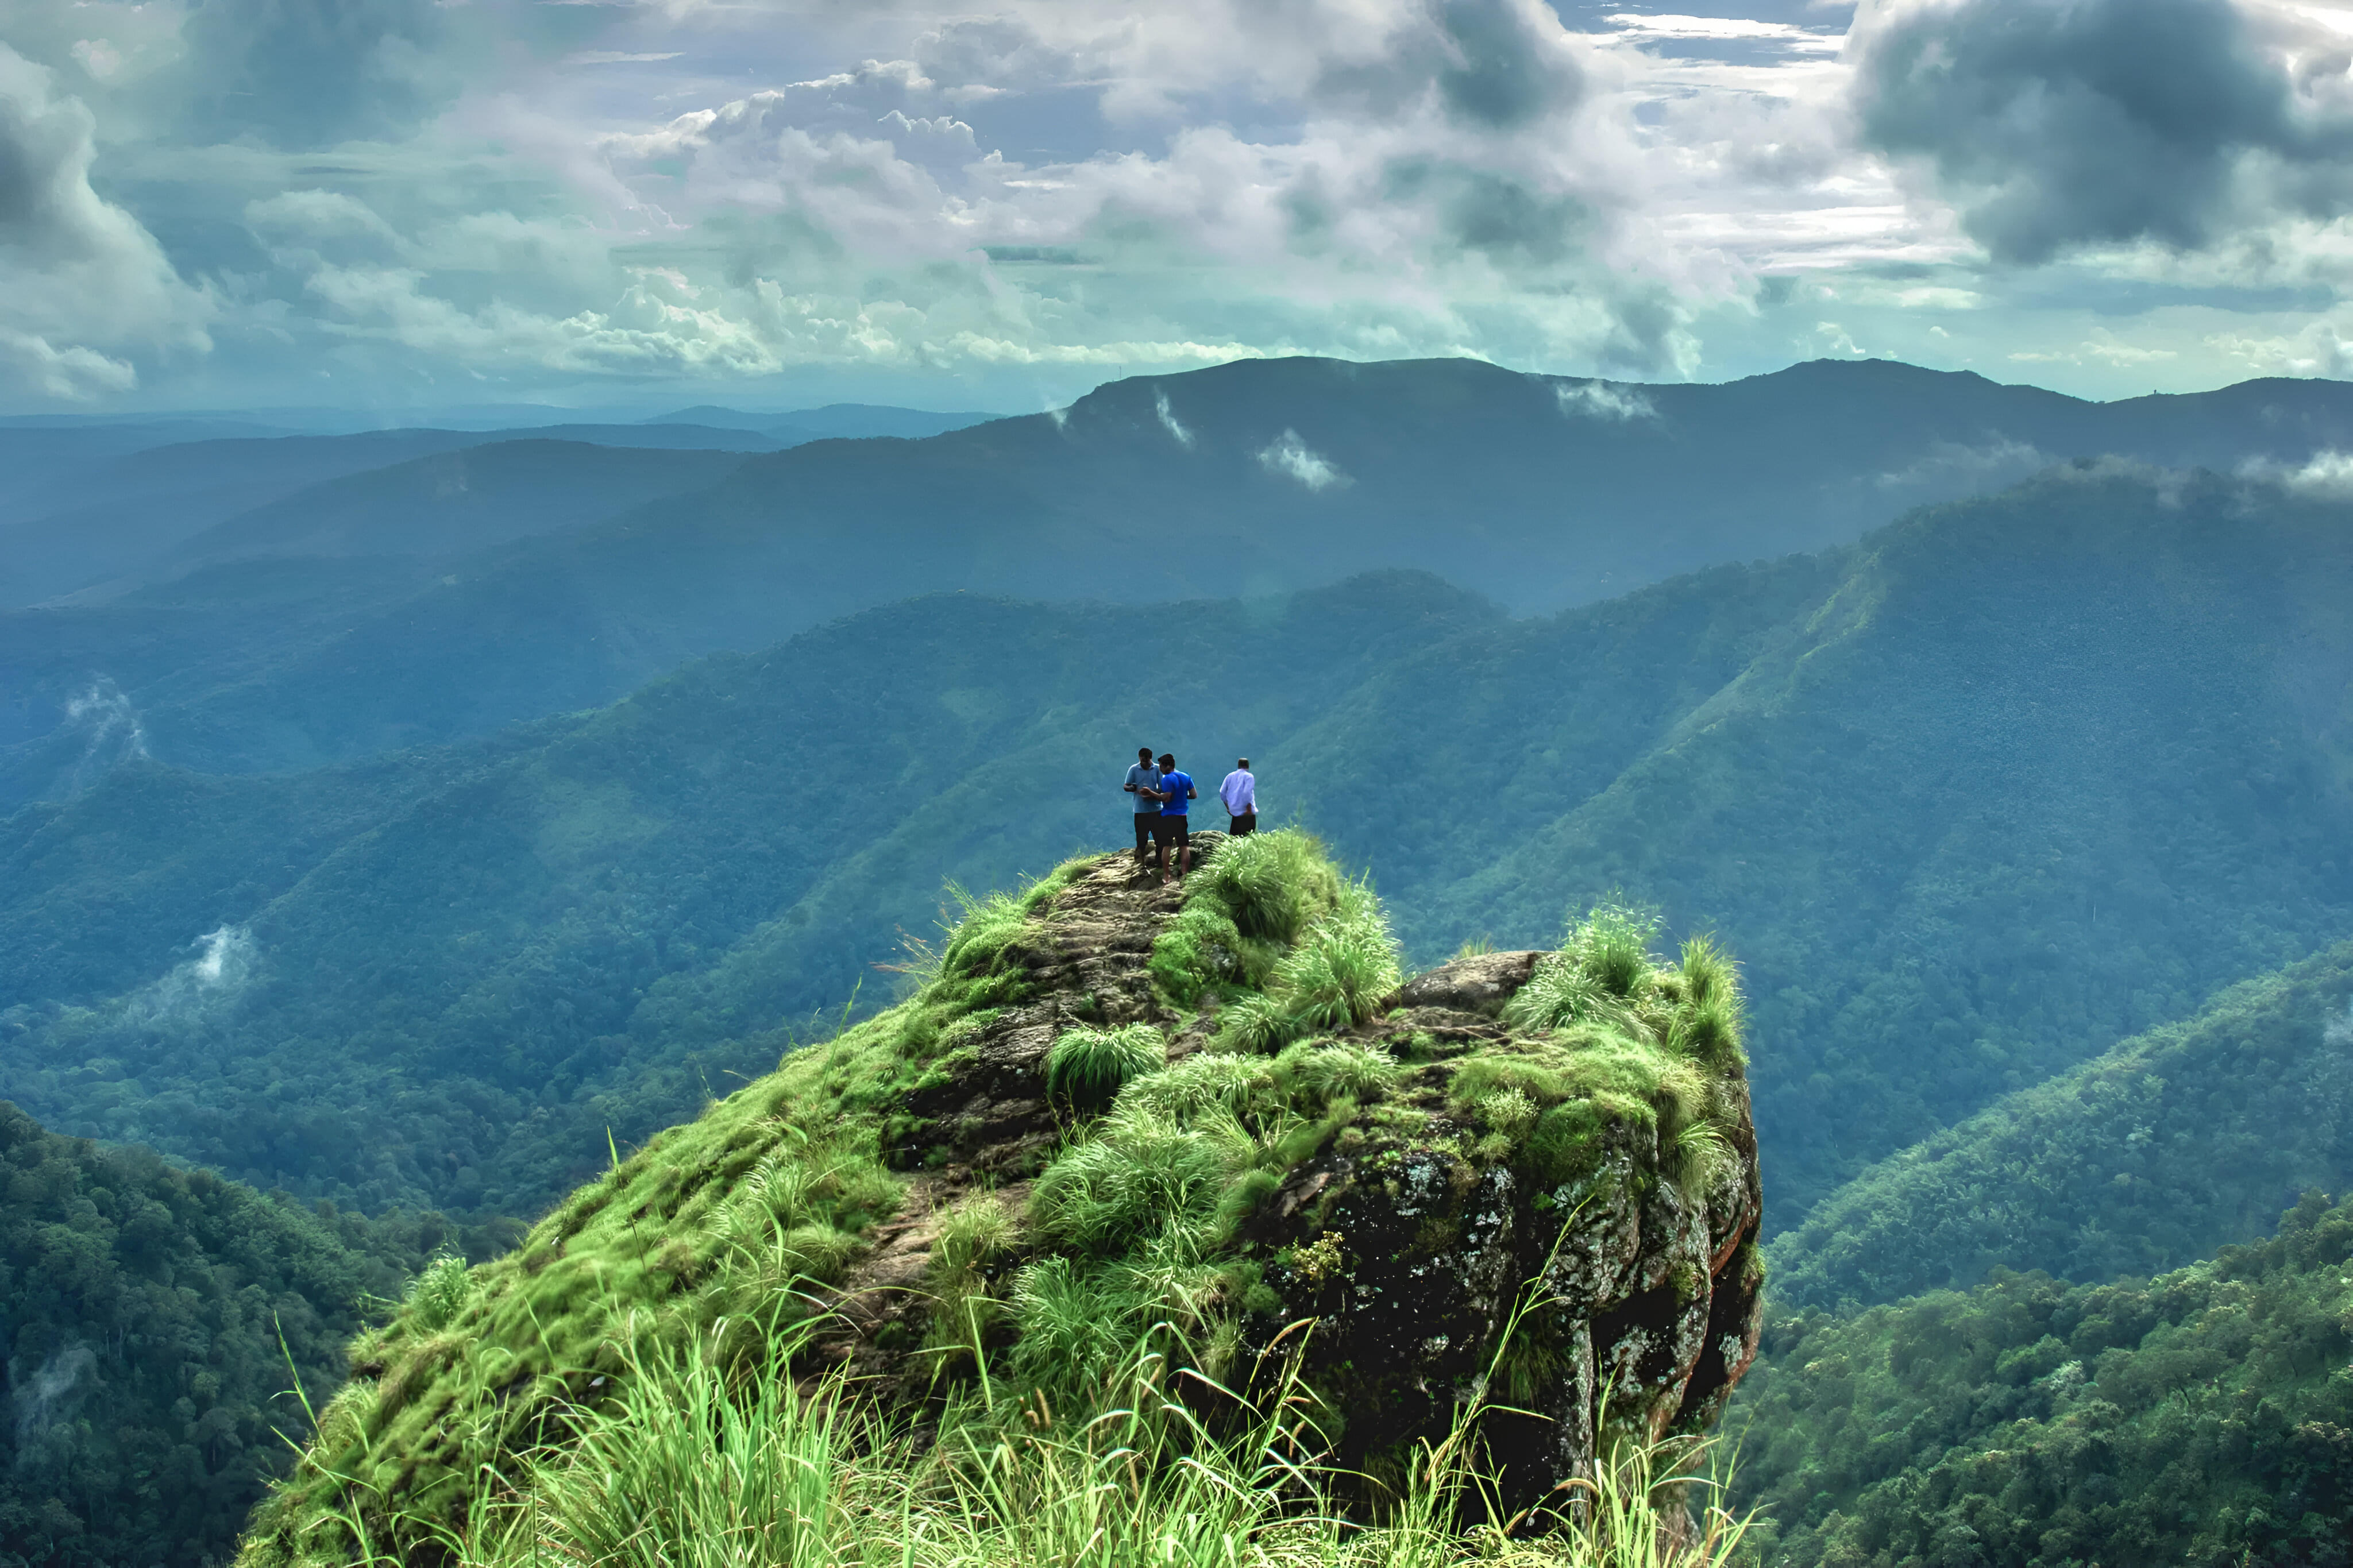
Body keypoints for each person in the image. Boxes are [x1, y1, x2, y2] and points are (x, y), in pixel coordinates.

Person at [1154, 751, 1197, 879]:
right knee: (1184, 846)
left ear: (1167, 766)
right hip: (1182, 815)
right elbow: (1194, 795)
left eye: (1161, 766)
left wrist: (1151, 794)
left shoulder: (1167, 779)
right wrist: (1182, 796)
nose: (1160, 769)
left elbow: (1166, 798)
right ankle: (1184, 872)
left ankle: (1166, 875)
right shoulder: (1186, 777)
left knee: (1167, 846)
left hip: (1169, 816)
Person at [1123, 746, 1162, 867]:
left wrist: (1152, 793)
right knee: (1141, 838)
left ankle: (1159, 861)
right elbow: (1126, 785)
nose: (1144, 763)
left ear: (1150, 759)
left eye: (1146, 761)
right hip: (1140, 809)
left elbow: (1162, 787)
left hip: (1156, 808)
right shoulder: (1134, 769)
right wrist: (1133, 788)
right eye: (1142, 761)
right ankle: (1141, 863)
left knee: (1159, 837)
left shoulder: (1157, 769)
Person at [1219, 757, 1257, 836]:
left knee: (1234, 838)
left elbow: (1222, 793)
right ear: (1248, 766)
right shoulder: (1249, 777)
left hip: (1235, 813)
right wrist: (1249, 808)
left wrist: (1229, 808)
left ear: (1238, 766)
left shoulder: (1230, 776)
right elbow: (1247, 792)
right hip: (1247, 813)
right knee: (1248, 838)